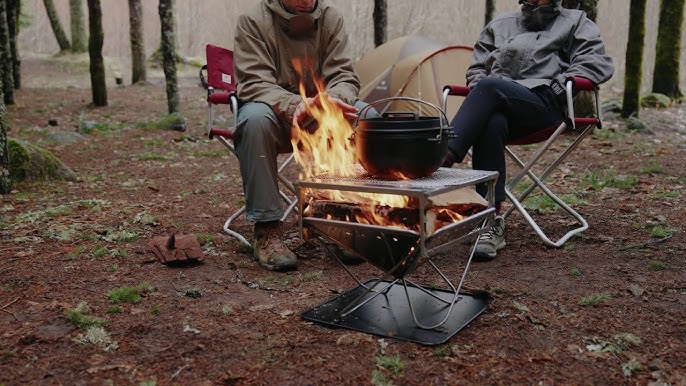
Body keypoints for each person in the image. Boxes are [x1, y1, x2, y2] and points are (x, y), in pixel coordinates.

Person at [443, 0, 614, 259]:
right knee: (492, 120)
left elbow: (595, 63)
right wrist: (482, 90)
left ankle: (439, 159)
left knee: (490, 87)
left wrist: (559, 87)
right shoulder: (499, 25)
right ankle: (490, 220)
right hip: (499, 103)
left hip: (543, 104)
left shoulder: (576, 22)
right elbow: (477, 69)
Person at [232, 0, 370, 271]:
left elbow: (343, 74)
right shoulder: (253, 21)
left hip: (323, 115)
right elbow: (254, 81)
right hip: (276, 114)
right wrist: (297, 105)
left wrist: (333, 100)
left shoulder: (331, 18)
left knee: (366, 119)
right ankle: (267, 229)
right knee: (254, 120)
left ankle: (343, 218)